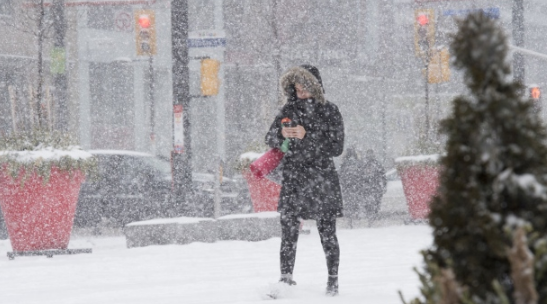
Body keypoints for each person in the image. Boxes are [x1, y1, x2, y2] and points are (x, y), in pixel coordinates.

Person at [265, 65, 345, 296]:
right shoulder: (287, 110)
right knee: (288, 229)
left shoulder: (330, 110)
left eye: (304, 86)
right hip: (294, 179)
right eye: (296, 87)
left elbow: (336, 147)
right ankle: (285, 278)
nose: (300, 91)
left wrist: (306, 135)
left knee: (327, 232)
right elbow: (269, 137)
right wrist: (282, 135)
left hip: (322, 178)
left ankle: (333, 281)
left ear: (315, 87)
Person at [338, 147, 366, 227]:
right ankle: (355, 216)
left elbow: (341, 175)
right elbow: (362, 174)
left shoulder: (344, 163)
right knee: (356, 202)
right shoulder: (358, 163)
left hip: (348, 187)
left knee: (348, 203)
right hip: (356, 186)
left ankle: (350, 219)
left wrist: (343, 184)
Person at [361, 149, 387, 221]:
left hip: (369, 186)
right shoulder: (376, 164)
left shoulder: (364, 164)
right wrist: (384, 185)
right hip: (374, 186)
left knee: (371, 200)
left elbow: (383, 175)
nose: (369, 155)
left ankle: (371, 213)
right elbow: (383, 175)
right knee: (375, 200)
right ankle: (373, 213)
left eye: (370, 154)